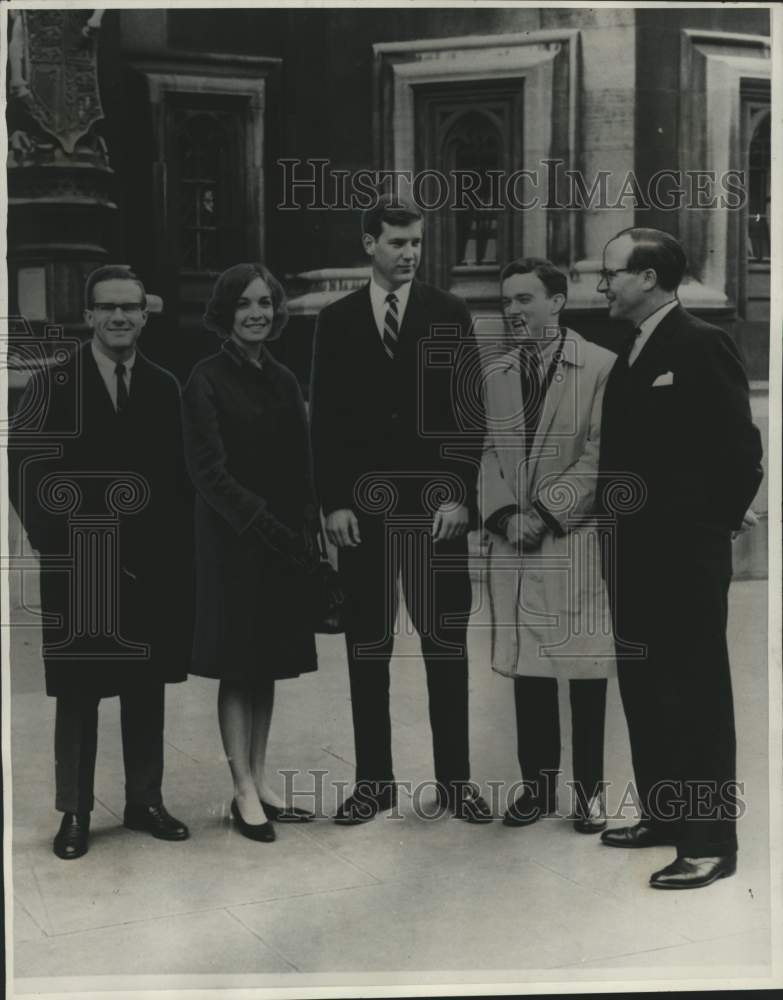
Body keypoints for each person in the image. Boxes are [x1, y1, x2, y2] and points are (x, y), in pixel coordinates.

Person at [309, 195, 490, 824]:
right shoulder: (334, 321)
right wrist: (332, 502)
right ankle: (374, 784)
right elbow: (325, 420)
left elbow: (470, 413)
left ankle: (456, 782)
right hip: (363, 514)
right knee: (368, 647)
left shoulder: (449, 312)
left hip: (436, 511)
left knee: (446, 644)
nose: (409, 253)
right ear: (369, 243)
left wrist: (460, 494)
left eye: (416, 242)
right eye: (396, 242)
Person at [596, 227, 763, 889]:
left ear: (649, 278)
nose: (601, 284)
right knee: (644, 688)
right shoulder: (633, 348)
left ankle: (709, 841)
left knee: (693, 693)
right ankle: (664, 815)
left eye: (611, 273)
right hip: (631, 557)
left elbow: (740, 454)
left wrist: (707, 529)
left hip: (682, 560)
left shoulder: (701, 343)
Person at [9, 265, 193, 860]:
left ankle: (144, 800)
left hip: (148, 565)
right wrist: (60, 545)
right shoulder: (52, 385)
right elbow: (25, 472)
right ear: (88, 315)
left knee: (145, 687)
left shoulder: (166, 387)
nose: (119, 317)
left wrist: (170, 552)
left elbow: (178, 480)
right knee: (80, 692)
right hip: (80, 563)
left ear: (145, 314)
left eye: (130, 307)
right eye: (107, 307)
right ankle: (75, 812)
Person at [181, 263, 318, 843]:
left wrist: (305, 526)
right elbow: (208, 473)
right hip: (233, 542)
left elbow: (301, 461)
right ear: (224, 313)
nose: (257, 313)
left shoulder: (284, 378)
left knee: (267, 664)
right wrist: (265, 521)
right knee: (238, 667)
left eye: (265, 302)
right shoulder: (204, 379)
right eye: (244, 304)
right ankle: (240, 790)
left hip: (282, 541)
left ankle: (260, 781)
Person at [481, 257, 616, 832]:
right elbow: (488, 452)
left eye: (524, 299)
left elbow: (599, 454)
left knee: (585, 671)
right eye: (506, 301)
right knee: (530, 671)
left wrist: (546, 513)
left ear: (557, 302)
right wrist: (507, 514)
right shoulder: (498, 374)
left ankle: (589, 794)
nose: (512, 311)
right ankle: (536, 789)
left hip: (573, 540)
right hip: (515, 542)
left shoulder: (602, 366)